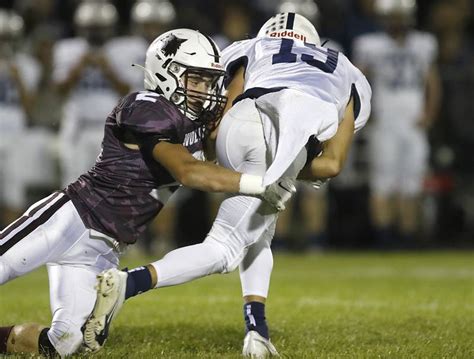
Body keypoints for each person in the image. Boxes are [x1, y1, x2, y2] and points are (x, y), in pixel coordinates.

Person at [83, 12, 372, 358]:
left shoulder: (257, 47)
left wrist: (218, 154)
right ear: (313, 42)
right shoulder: (345, 68)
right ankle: (127, 283)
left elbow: (223, 120)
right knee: (224, 250)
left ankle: (257, 330)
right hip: (275, 140)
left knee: (258, 233)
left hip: (238, 126)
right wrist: (281, 172)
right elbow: (332, 164)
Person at [0, 28, 287, 357]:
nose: (205, 91)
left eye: (209, 82)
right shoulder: (146, 106)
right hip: (71, 219)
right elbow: (187, 171)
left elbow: (229, 128)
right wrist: (262, 183)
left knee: (66, 343)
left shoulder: (196, 124)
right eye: (197, 80)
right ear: (168, 73)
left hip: (102, 249)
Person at [352, 0, 441, 248]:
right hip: (385, 122)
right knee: (383, 181)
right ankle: (384, 238)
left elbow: (432, 81)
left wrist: (429, 113)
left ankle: (407, 238)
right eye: (393, 17)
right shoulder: (369, 44)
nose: (397, 22)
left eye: (400, 16)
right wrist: (367, 114)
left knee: (412, 182)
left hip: (413, 122)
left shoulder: (423, 43)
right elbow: (357, 80)